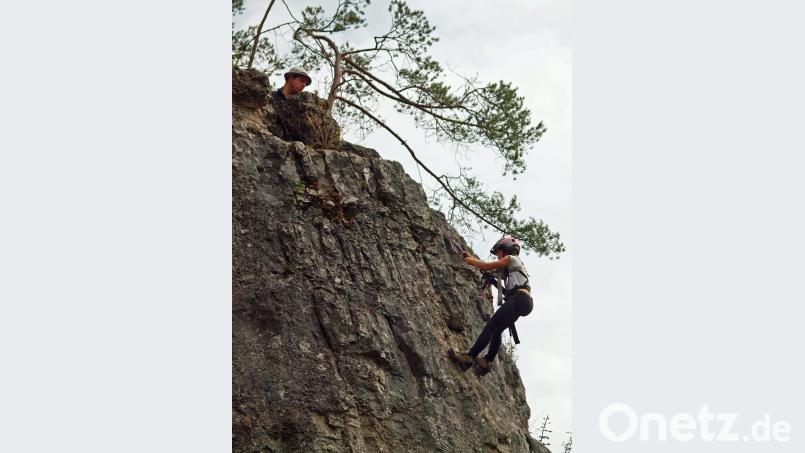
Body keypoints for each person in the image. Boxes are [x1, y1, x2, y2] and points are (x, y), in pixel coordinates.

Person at [448, 236, 534, 376]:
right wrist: (472, 259)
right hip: (524, 302)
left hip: (519, 299)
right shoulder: (514, 269)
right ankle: (487, 362)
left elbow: (488, 266)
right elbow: (502, 286)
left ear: (505, 250)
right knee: (497, 331)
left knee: (490, 327)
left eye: (498, 253)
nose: (498, 257)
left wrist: (469, 261)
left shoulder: (511, 258)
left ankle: (469, 357)